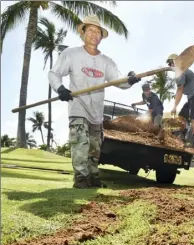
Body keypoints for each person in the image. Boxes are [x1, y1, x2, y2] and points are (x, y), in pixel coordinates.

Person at [48, 15, 141, 189]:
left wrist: (130, 80)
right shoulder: (72, 54)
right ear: (83, 32)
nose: (94, 34)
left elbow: (118, 81)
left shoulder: (106, 61)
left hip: (96, 112)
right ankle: (81, 179)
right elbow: (53, 74)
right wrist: (60, 88)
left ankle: (93, 177)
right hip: (78, 106)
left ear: (101, 37)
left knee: (94, 148)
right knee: (80, 143)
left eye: (98, 31)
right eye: (90, 30)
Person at [166, 53, 194, 148]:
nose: (171, 65)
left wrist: (175, 106)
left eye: (172, 63)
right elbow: (179, 90)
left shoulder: (181, 72)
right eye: (169, 64)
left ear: (177, 61)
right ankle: (182, 136)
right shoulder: (180, 73)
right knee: (182, 116)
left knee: (193, 118)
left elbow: (180, 90)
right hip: (191, 97)